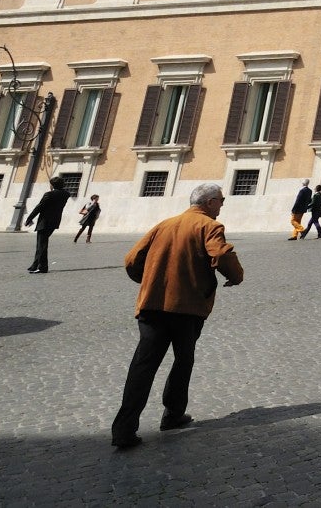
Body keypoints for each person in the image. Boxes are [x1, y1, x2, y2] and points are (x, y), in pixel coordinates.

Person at [110, 183, 244, 449]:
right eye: (220, 201)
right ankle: (172, 414)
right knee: (184, 360)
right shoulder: (209, 226)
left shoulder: (165, 224)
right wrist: (235, 277)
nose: (222, 205)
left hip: (152, 305)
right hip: (187, 307)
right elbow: (221, 254)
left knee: (142, 365)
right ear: (209, 203)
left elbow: (131, 259)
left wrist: (149, 281)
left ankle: (124, 429)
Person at [24, 176, 70, 273]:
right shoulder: (65, 194)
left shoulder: (49, 194)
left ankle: (42, 267)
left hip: (45, 221)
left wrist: (29, 218)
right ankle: (35, 264)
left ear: (52, 185)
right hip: (55, 221)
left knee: (42, 245)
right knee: (41, 244)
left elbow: (39, 207)